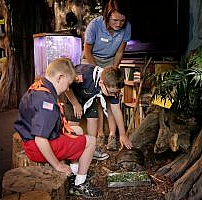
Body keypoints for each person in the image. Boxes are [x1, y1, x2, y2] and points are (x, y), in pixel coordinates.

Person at [14, 58, 102, 198]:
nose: (68, 89)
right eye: (68, 84)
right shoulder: (47, 102)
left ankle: (74, 172)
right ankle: (80, 183)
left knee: (78, 131)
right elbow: (41, 139)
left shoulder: (40, 86)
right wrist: (57, 165)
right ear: (60, 77)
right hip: (37, 147)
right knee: (91, 141)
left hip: (32, 139)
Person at [82, 0, 131, 151]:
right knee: (97, 99)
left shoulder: (127, 27)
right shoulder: (94, 26)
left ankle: (112, 135)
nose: (119, 24)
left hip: (110, 61)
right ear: (107, 16)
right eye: (115, 20)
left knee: (111, 99)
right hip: (91, 60)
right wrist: (98, 73)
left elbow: (120, 52)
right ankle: (100, 134)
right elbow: (87, 51)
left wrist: (112, 72)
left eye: (122, 20)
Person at [64, 64, 133, 160]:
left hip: (90, 97)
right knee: (74, 124)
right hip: (73, 97)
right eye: (111, 93)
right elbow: (67, 87)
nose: (113, 95)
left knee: (93, 119)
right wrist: (75, 104)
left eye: (116, 93)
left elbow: (116, 111)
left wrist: (122, 134)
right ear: (101, 83)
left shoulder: (112, 88)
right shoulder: (83, 75)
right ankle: (69, 153)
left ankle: (91, 150)